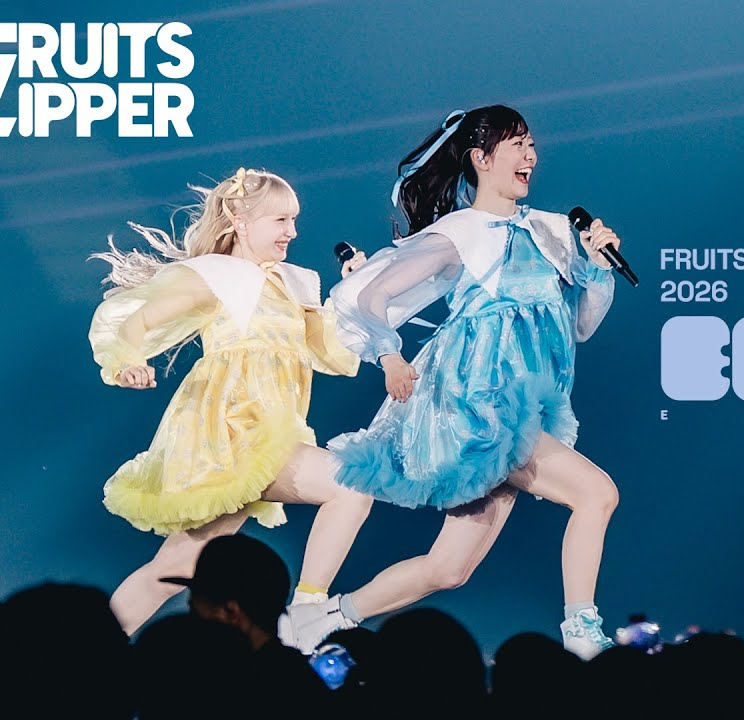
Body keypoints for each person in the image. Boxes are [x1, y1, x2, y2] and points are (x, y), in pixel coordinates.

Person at [279, 105, 621, 660]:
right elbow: (372, 295)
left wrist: (598, 267)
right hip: (481, 403)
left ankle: (321, 620)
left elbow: (579, 327)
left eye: (532, 144)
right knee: (596, 493)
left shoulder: (552, 229)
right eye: (517, 144)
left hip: (526, 403)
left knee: (449, 569)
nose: (530, 155)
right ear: (481, 158)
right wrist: (390, 355)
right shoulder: (460, 232)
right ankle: (582, 634)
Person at [89, 167, 374, 636]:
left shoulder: (294, 283)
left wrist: (353, 295)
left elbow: (329, 353)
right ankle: (308, 611)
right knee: (351, 484)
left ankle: (88, 652)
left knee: (176, 567)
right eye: (281, 220)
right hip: (233, 428)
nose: (292, 231)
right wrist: (129, 362)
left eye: (294, 220)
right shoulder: (216, 275)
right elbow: (135, 323)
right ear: (240, 221)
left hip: (268, 429)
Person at [159, 533, 335, 714]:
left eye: (195, 612)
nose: (190, 623)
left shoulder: (217, 690)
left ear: (230, 612)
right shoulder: (303, 681)